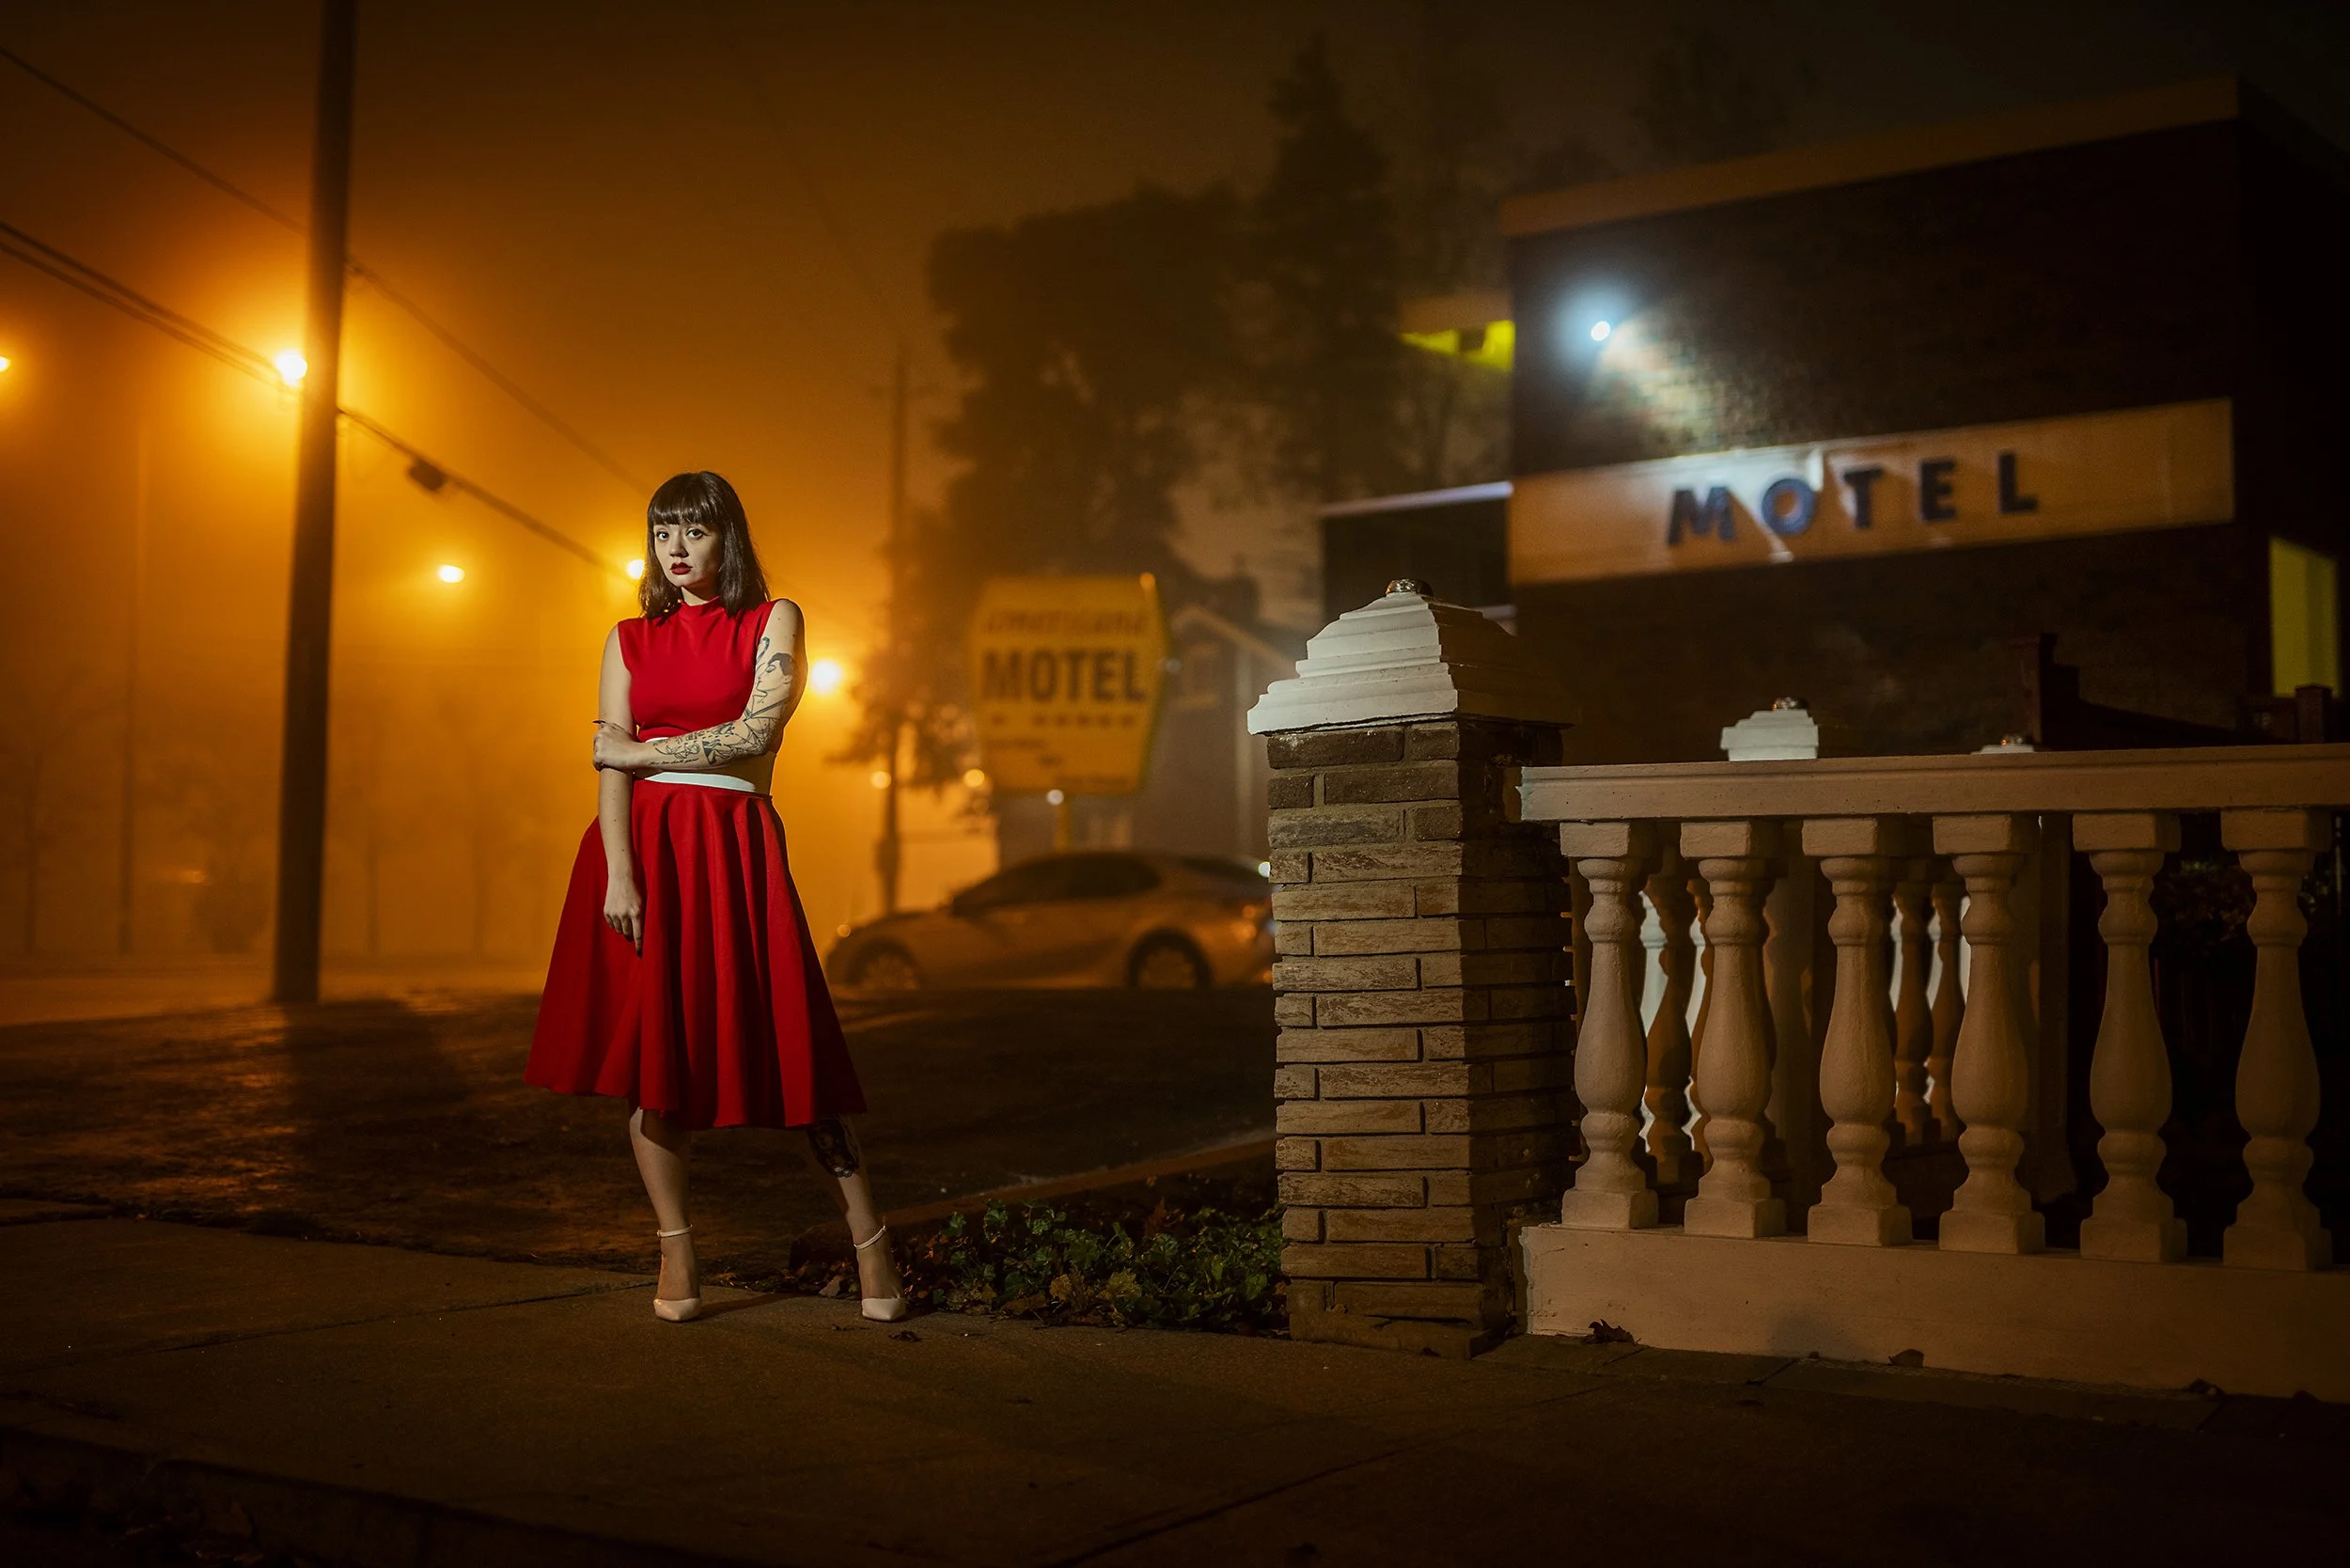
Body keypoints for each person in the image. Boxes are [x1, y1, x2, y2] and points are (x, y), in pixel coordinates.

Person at [526, 470, 903, 1324]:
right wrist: (620, 869)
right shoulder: (625, 637)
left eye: (694, 532)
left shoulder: (775, 619)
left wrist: (629, 752)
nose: (678, 550)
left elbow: (759, 733)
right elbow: (612, 770)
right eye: (663, 534)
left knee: (795, 1049)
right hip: (643, 859)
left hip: (735, 847)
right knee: (652, 1065)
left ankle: (873, 1247)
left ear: (727, 538)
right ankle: (677, 1259)